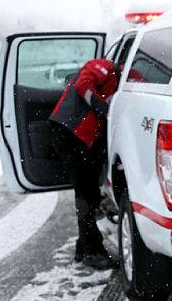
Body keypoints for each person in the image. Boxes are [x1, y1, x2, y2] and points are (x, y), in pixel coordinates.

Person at [49, 56, 120, 270]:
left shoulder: (123, 81)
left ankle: (83, 247)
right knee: (86, 194)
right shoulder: (104, 67)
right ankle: (92, 251)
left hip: (80, 139)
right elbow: (83, 85)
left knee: (88, 194)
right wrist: (103, 108)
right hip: (69, 133)